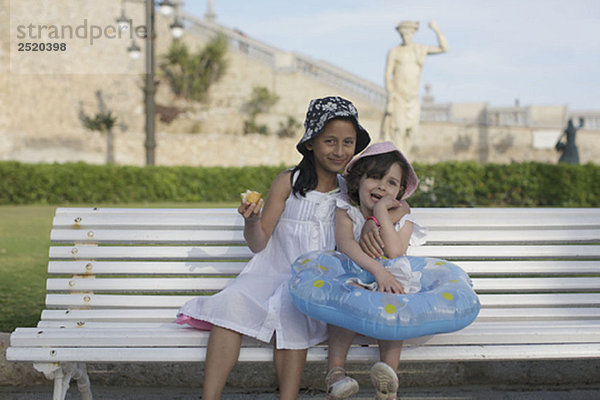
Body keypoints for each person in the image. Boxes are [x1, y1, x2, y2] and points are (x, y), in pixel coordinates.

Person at [176, 96, 371, 400]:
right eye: (330, 141)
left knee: (293, 312)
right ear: (310, 142)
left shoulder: (352, 191)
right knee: (231, 302)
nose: (340, 150)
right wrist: (252, 221)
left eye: (348, 142)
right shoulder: (288, 182)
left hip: (316, 283)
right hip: (270, 275)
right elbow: (259, 243)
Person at [325, 141, 426, 400]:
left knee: (395, 300)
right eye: (375, 177)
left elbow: (394, 252)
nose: (382, 186)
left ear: (400, 191)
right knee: (346, 293)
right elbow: (346, 244)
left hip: (389, 287)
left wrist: (381, 212)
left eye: (392, 182)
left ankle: (388, 382)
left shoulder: (404, 220)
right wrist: (377, 271)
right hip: (356, 277)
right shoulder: (347, 211)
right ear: (358, 181)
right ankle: (335, 373)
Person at [380, 21, 448, 152]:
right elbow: (388, 75)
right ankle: (399, 160)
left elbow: (444, 48)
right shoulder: (394, 51)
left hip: (413, 98)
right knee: (398, 130)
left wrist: (436, 29)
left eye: (408, 33)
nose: (405, 36)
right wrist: (390, 95)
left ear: (412, 34)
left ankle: (405, 160)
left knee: (411, 131)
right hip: (398, 96)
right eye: (403, 34)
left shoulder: (419, 49)